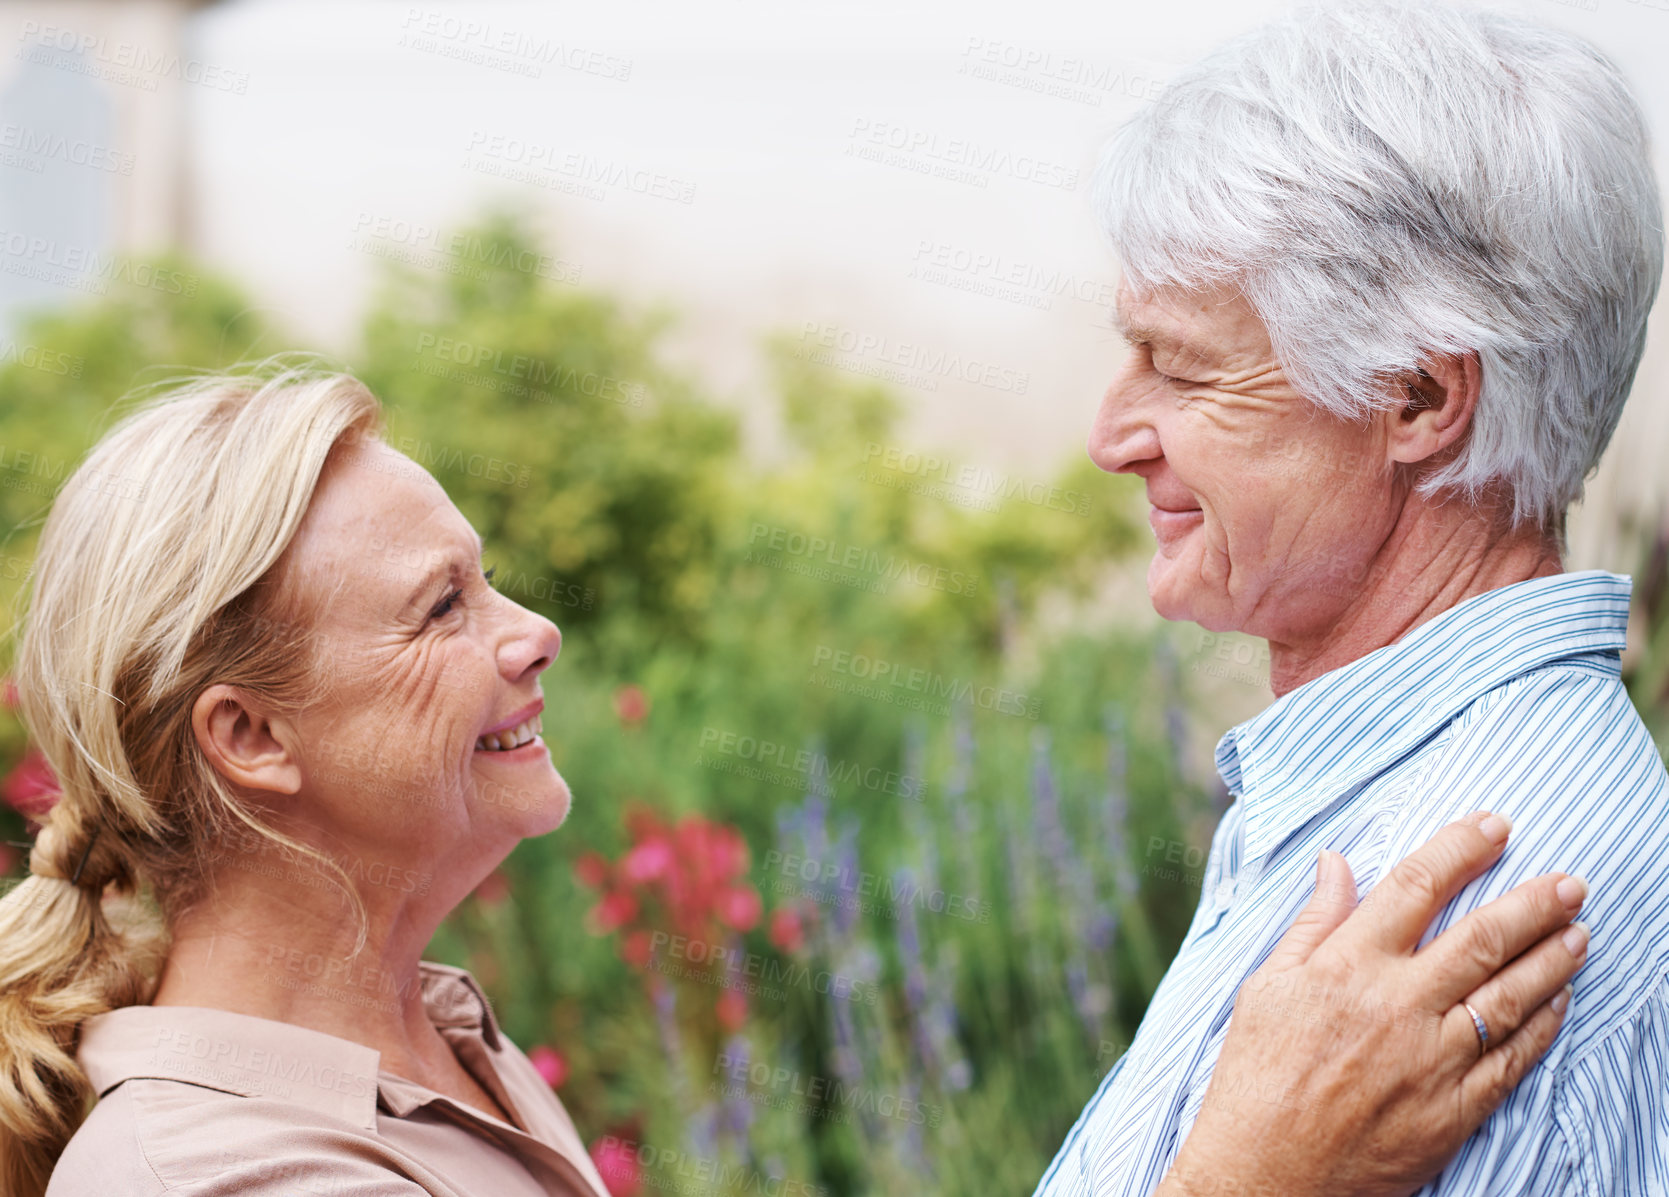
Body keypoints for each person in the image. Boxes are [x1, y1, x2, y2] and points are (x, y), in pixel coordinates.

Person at [0, 365, 1586, 1197]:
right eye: (441, 609)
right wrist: (1252, 1174)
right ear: (249, 741)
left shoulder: (437, 1041)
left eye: (489, 579)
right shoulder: (209, 1175)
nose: (534, 632)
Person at [1038, 2, 1668, 1194]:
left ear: (1420, 400)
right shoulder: (1386, 811)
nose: (1109, 436)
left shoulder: (1461, 909)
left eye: (1179, 365)